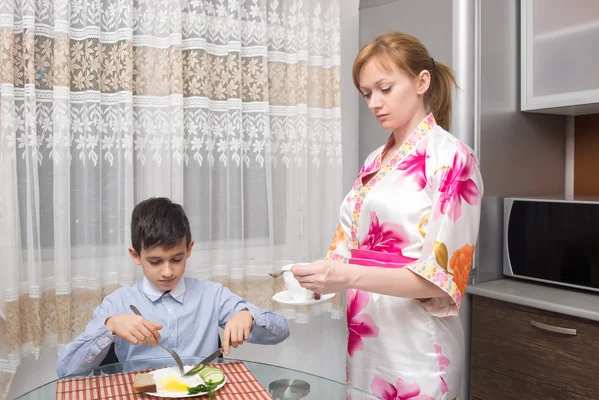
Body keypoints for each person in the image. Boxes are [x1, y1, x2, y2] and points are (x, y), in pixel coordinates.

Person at [291, 32, 483, 399]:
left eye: (385, 88)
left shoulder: (454, 159)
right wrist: (314, 278)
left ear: (421, 82)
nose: (374, 103)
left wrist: (345, 274)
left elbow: (438, 279)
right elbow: (346, 245)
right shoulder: (373, 162)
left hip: (418, 346)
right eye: (367, 93)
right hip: (367, 339)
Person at [57, 197, 290, 378]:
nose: (168, 271)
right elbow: (66, 370)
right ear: (136, 255)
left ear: (189, 249)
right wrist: (110, 328)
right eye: (155, 262)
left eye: (177, 259)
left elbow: (281, 331)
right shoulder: (117, 303)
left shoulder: (212, 295)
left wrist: (248, 316)